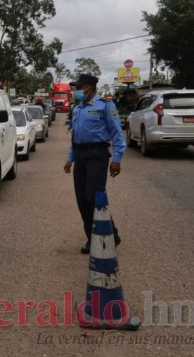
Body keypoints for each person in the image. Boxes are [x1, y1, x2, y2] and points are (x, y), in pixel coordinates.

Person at [63, 74, 125, 254]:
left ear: (89, 88)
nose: (76, 91)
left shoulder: (105, 105)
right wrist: (69, 158)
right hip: (80, 155)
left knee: (93, 196)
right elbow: (75, 137)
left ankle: (107, 234)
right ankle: (94, 237)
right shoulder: (77, 109)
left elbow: (117, 133)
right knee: (82, 199)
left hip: (98, 155)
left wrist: (117, 159)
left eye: (79, 87)